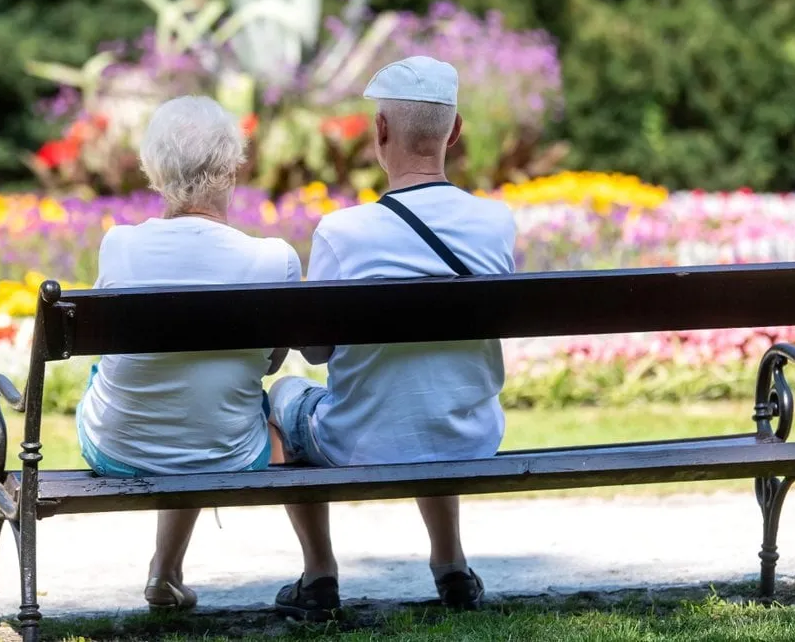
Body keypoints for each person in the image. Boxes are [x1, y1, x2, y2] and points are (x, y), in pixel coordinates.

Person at [268, 56, 517, 620]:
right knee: (433, 393)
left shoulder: (343, 232)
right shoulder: (496, 223)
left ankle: (319, 575)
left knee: (284, 398)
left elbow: (316, 352)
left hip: (360, 443)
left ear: (379, 131)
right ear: (454, 132)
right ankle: (451, 566)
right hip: (469, 436)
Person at [75, 96, 300, 610]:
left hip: (118, 448)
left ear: (153, 170)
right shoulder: (274, 259)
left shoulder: (119, 246)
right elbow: (271, 364)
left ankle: (165, 571)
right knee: (216, 404)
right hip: (229, 450)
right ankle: (316, 568)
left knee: (163, 387)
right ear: (232, 168)